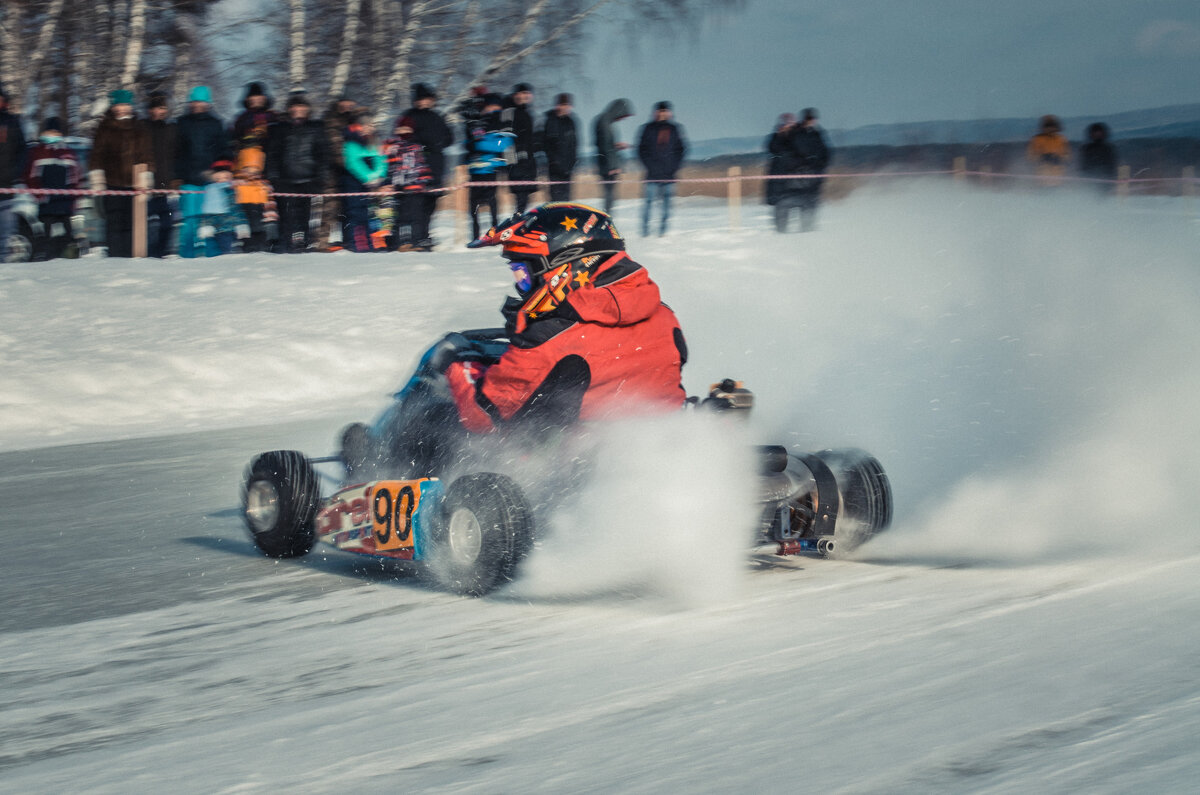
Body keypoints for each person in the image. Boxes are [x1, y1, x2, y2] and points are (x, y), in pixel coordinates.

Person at [91, 89, 153, 257]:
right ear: (113, 107)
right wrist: (98, 180)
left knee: (132, 224)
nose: (122, 108)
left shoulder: (139, 127)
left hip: (135, 185)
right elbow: (96, 155)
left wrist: (145, 178)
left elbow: (146, 155)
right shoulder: (104, 127)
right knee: (114, 224)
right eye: (119, 105)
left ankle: (131, 259)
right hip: (112, 183)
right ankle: (115, 259)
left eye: (125, 105)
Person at [266, 92, 328, 253]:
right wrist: (273, 176)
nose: (297, 109)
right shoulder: (280, 129)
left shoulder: (316, 127)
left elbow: (323, 154)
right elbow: (273, 154)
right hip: (285, 179)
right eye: (294, 106)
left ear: (307, 109)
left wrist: (321, 177)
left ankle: (304, 243)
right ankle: (285, 243)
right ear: (289, 109)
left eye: (301, 106)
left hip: (308, 178)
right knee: (286, 214)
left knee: (305, 214)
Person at [174, 86, 227, 257]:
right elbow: (176, 152)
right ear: (190, 102)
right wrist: (176, 176)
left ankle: (213, 255)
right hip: (188, 179)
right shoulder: (182, 123)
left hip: (210, 180)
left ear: (208, 103)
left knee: (210, 219)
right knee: (190, 219)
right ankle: (187, 254)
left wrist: (221, 170)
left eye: (201, 101)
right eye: (195, 101)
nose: (198, 104)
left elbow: (223, 150)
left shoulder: (216, 123)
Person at [399, 83, 453, 250]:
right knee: (416, 205)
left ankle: (424, 236)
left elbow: (449, 138)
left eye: (428, 99)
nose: (424, 102)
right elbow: (403, 137)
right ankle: (414, 238)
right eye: (421, 99)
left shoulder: (438, 117)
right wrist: (424, 144)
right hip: (416, 167)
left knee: (431, 205)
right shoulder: (409, 116)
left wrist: (439, 143)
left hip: (437, 166)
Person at [23, 117, 81, 260]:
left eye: (56, 132)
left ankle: (68, 263)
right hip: (46, 206)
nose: (53, 135)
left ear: (61, 134)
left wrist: (74, 198)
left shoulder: (68, 152)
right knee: (47, 239)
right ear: (44, 133)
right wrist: (39, 195)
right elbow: (30, 176)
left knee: (67, 239)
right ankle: (47, 263)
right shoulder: (37, 152)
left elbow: (75, 177)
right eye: (50, 132)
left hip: (65, 205)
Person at [463, 93, 512, 241]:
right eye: (490, 106)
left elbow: (503, 144)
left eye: (496, 107)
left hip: (491, 169)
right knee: (474, 207)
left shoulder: (501, 122)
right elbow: (466, 143)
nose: (493, 109)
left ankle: (495, 233)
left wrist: (480, 144)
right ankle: (474, 235)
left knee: (493, 204)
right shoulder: (475, 122)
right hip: (475, 170)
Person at [774, 107, 830, 232]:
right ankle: (783, 238)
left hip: (810, 185)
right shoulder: (790, 134)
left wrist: (817, 168)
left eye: (812, 118)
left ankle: (807, 237)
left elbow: (825, 155)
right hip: (790, 185)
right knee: (783, 214)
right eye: (808, 118)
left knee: (808, 218)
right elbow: (781, 151)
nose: (810, 121)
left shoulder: (816, 134)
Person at [382, 116, 434, 250]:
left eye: (407, 128)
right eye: (402, 128)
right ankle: (402, 242)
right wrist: (390, 182)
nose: (404, 131)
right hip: (400, 188)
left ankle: (415, 241)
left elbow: (422, 165)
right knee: (401, 217)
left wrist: (426, 179)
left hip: (416, 188)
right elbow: (390, 166)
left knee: (416, 216)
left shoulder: (417, 146)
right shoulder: (392, 146)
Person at [636, 101, 687, 237]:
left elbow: (681, 150)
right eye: (660, 111)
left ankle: (662, 234)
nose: (663, 114)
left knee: (666, 207)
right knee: (648, 204)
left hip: (669, 175)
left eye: (665, 111)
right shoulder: (648, 129)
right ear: (655, 113)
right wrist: (650, 166)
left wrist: (674, 168)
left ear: (669, 113)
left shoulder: (675, 129)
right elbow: (641, 150)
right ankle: (645, 233)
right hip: (652, 174)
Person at [340, 111, 388, 252]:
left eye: (371, 125)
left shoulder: (376, 141)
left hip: (374, 184)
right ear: (358, 126)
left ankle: (374, 241)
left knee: (374, 214)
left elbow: (381, 160)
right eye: (365, 125)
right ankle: (358, 242)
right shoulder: (351, 142)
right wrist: (368, 178)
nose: (368, 127)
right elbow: (353, 162)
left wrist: (378, 176)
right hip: (354, 182)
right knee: (356, 213)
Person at [318, 96, 358, 250]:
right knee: (330, 209)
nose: (348, 105)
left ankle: (348, 240)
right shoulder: (331, 119)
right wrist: (352, 164)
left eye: (350, 103)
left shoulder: (353, 120)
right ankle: (322, 242)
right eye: (345, 102)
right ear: (339, 103)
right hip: (332, 171)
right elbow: (335, 146)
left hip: (350, 172)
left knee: (348, 208)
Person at [142, 92, 177, 257]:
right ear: (150, 110)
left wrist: (174, 181)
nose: (159, 111)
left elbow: (175, 155)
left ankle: (160, 254)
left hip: (164, 188)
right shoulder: (142, 127)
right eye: (156, 108)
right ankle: (146, 255)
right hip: (146, 187)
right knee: (146, 225)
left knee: (167, 223)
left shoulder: (170, 129)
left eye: (162, 108)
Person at [0, 84, 27, 263]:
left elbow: (23, 150)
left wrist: (14, 173)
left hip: (6, 186)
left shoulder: (12, 121)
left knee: (6, 233)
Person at [198, 159, 248, 255]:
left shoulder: (232, 190)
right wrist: (206, 225)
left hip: (231, 228)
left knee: (232, 252)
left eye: (226, 174)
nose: (224, 177)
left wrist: (242, 224)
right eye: (221, 173)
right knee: (221, 253)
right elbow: (207, 213)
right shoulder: (211, 190)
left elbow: (237, 210)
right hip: (218, 228)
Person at [593, 98, 633, 214]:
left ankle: (607, 219)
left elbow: (605, 144)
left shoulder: (604, 121)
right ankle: (606, 221)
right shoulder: (605, 122)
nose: (623, 119)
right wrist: (612, 167)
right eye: (623, 115)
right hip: (608, 168)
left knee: (609, 198)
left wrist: (616, 145)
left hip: (607, 165)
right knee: (609, 198)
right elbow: (605, 147)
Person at [502, 82, 538, 214]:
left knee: (525, 200)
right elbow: (506, 137)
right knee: (520, 201)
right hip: (517, 164)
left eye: (527, 93)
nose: (525, 96)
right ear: (515, 95)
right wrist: (512, 163)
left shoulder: (527, 113)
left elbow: (529, 140)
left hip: (528, 163)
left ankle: (520, 226)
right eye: (522, 93)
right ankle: (515, 227)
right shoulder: (509, 112)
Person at [540, 92, 579, 201]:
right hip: (555, 169)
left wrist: (573, 161)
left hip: (568, 168)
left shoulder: (572, 122)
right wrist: (555, 162)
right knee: (556, 200)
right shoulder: (551, 121)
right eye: (563, 105)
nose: (566, 108)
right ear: (558, 106)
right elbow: (547, 144)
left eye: (568, 105)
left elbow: (575, 144)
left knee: (567, 199)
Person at [235, 147, 272, 252]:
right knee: (248, 230)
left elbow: (269, 201)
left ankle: (260, 246)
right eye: (247, 170)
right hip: (245, 213)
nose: (251, 173)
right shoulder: (238, 184)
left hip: (259, 214)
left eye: (255, 171)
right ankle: (249, 246)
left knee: (258, 229)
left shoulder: (263, 184)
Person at [230, 82, 276, 153]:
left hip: (271, 154)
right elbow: (233, 137)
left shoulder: (273, 116)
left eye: (259, 96)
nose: (256, 99)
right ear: (248, 99)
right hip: (248, 156)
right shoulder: (241, 118)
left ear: (264, 98)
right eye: (253, 96)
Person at [764, 113, 797, 209]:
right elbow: (772, 148)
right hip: (779, 177)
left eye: (789, 124)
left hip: (794, 179)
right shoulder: (775, 137)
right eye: (785, 123)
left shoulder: (798, 138)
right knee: (780, 209)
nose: (787, 126)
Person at [1027, 114, 1069, 185]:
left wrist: (1058, 158)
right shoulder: (1036, 139)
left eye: (1051, 126)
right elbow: (1030, 157)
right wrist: (1043, 157)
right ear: (1043, 127)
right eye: (1046, 126)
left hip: (1058, 178)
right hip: (1041, 178)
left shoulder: (1061, 139)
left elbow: (1067, 156)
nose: (1049, 128)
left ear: (1056, 127)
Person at [1079, 122, 1118, 193]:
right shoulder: (1086, 149)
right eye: (1095, 132)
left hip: (1106, 181)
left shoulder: (1109, 148)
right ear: (1091, 134)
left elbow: (1112, 165)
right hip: (1090, 181)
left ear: (1104, 133)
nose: (1097, 134)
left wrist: (1112, 178)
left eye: (1099, 132)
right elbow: (1082, 165)